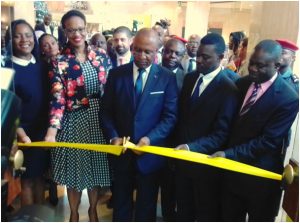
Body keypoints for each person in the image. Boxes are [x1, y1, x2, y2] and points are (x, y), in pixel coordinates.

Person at [211, 40, 299, 221]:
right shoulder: (241, 84)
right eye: (252, 63)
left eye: (260, 66)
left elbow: (268, 141)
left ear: (277, 65)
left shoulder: (288, 98)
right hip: (231, 175)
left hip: (260, 179)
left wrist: (228, 154)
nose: (253, 69)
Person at [102, 28, 178, 221]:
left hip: (150, 155)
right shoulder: (116, 75)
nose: (141, 56)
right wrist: (113, 136)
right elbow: (106, 112)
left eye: (148, 52)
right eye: (137, 50)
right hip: (122, 154)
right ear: (132, 46)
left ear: (156, 52)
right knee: (121, 205)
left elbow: (169, 117)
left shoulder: (166, 77)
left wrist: (150, 139)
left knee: (146, 206)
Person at [44, 10, 112, 221]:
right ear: (64, 31)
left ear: (86, 28)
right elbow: (58, 97)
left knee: (94, 169)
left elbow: (109, 91)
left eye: (80, 29)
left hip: (98, 119)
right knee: (74, 173)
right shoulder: (59, 60)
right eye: (71, 30)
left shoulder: (100, 56)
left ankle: (92, 210)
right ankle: (73, 213)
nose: (76, 34)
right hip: (73, 120)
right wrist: (52, 130)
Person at [174, 33, 239, 221]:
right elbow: (183, 118)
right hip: (182, 163)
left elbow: (221, 134)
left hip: (206, 166)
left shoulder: (229, 89)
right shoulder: (190, 78)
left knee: (205, 213)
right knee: (183, 211)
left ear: (221, 58)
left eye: (206, 57)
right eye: (199, 55)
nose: (199, 60)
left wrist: (190, 147)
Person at [4, 19, 49, 206]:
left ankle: (39, 217)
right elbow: (6, 108)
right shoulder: (6, 69)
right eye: (17, 36)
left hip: (44, 133)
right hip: (22, 134)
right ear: (10, 40)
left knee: (40, 178)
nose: (24, 40)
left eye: (28, 35)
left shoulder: (42, 66)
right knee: (27, 180)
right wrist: (21, 134)